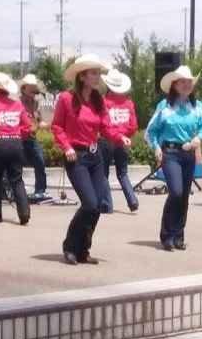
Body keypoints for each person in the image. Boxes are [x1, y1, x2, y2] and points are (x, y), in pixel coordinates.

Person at [52, 54, 127, 266]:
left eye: (98, 73)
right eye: (93, 73)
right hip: (76, 156)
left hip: (95, 156)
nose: (97, 77)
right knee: (89, 204)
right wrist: (66, 147)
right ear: (82, 76)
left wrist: (120, 137)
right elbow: (57, 127)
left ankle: (83, 250)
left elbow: (106, 127)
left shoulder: (98, 99)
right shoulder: (66, 99)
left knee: (98, 205)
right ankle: (70, 246)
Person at [146, 65, 202, 251]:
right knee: (175, 191)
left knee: (183, 196)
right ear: (174, 85)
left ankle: (178, 235)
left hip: (188, 154)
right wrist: (156, 148)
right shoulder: (164, 107)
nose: (186, 85)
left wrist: (198, 139)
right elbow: (151, 131)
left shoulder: (197, 107)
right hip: (170, 153)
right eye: (182, 82)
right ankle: (167, 234)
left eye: (189, 82)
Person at [0, 72, 32, 225]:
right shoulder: (17, 105)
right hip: (16, 144)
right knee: (16, 179)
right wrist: (18, 137)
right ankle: (24, 213)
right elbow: (27, 127)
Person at [99, 69, 139, 214]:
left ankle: (106, 204)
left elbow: (104, 125)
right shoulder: (129, 103)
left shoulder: (104, 102)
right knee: (122, 172)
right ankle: (132, 200)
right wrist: (124, 135)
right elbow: (133, 126)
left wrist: (116, 135)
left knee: (103, 174)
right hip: (122, 141)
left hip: (106, 140)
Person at [19, 74, 50, 202]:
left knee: (40, 161)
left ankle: (40, 191)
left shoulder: (36, 103)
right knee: (16, 165)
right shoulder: (18, 103)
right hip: (19, 138)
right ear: (24, 88)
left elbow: (40, 121)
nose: (34, 90)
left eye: (34, 87)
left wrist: (50, 125)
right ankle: (16, 191)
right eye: (31, 87)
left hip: (31, 138)